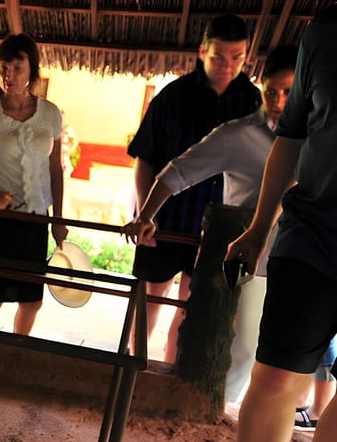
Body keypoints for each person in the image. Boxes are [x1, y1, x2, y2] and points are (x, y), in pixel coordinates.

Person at [190, 5, 337, 442]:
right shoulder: (324, 34)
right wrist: (257, 228)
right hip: (313, 236)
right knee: (276, 375)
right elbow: (292, 138)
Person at [123, 46, 297, 404]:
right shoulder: (238, 135)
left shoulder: (320, 140)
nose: (279, 101)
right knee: (232, 343)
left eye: (289, 92)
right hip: (242, 258)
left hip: (295, 258)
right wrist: (146, 215)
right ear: (260, 88)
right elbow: (177, 171)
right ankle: (208, 414)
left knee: (274, 359)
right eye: (271, 91)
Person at [127, 14, 261, 363]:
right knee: (149, 301)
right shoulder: (172, 97)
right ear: (202, 51)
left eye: (237, 58)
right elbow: (145, 158)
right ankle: (134, 371)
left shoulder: (253, 102)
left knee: (190, 309)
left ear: (248, 56)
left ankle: (171, 377)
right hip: (167, 219)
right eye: (218, 56)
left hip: (217, 230)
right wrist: (146, 214)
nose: (227, 66)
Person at [0, 33, 67, 335]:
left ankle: (14, 354)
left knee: (32, 301)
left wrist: (57, 218)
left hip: (36, 219)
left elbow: (56, 169)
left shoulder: (50, 114)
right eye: (3, 67)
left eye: (17, 68)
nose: (9, 75)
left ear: (32, 70)